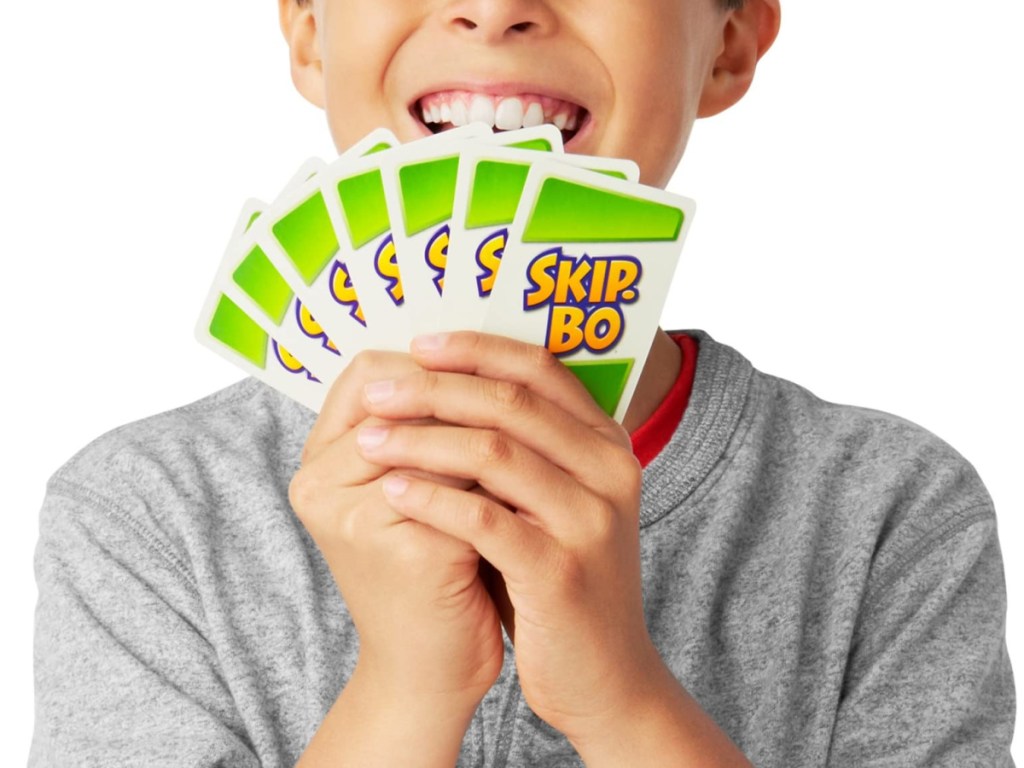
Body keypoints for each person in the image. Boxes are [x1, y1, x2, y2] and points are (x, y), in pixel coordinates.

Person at [31, 0, 1015, 765]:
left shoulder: (889, 509)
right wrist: (410, 684)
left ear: (728, 43)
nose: (494, 6)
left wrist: (617, 695)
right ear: (306, 30)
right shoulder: (143, 511)